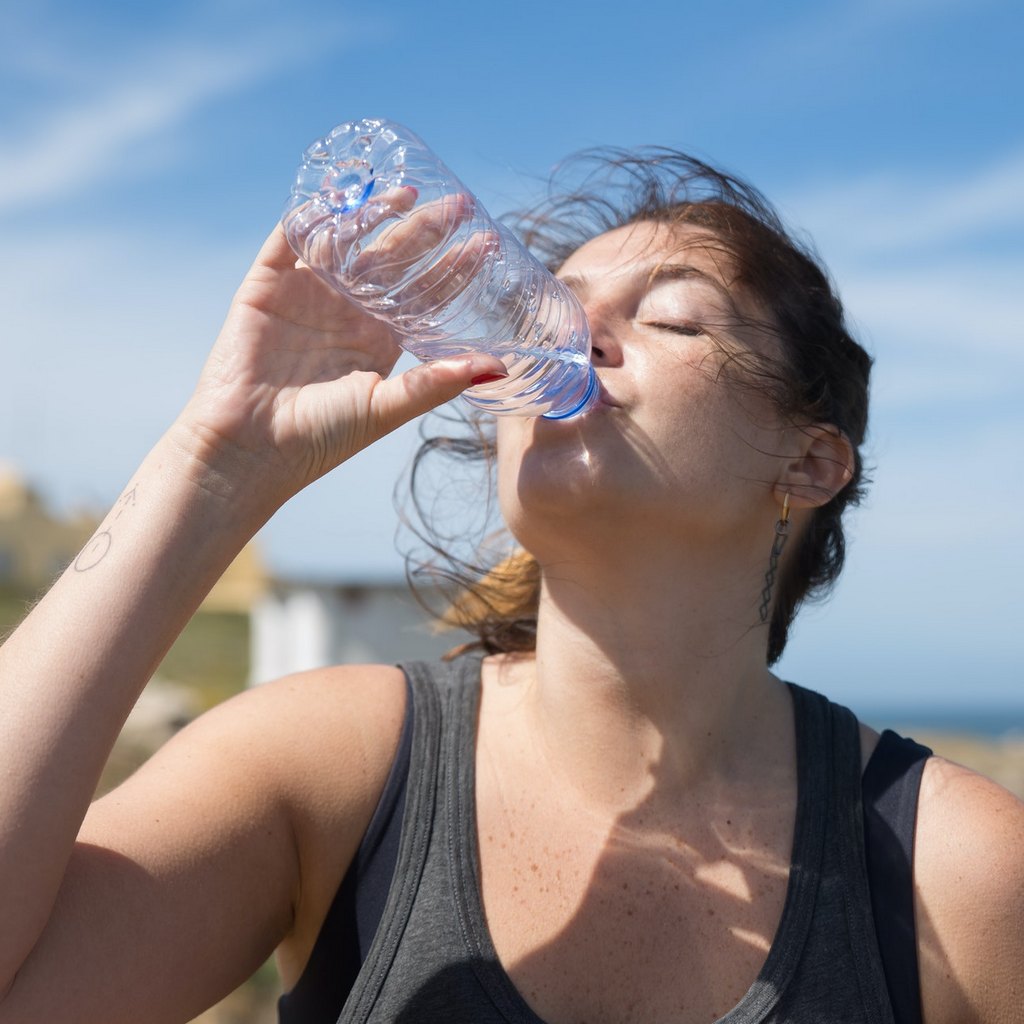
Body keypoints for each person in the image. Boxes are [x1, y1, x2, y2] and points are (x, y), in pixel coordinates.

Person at [0, 149, 1020, 1024]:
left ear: (809, 464)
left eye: (671, 320)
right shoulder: (333, 767)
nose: (573, 337)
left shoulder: (953, 865)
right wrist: (215, 465)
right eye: (553, 309)